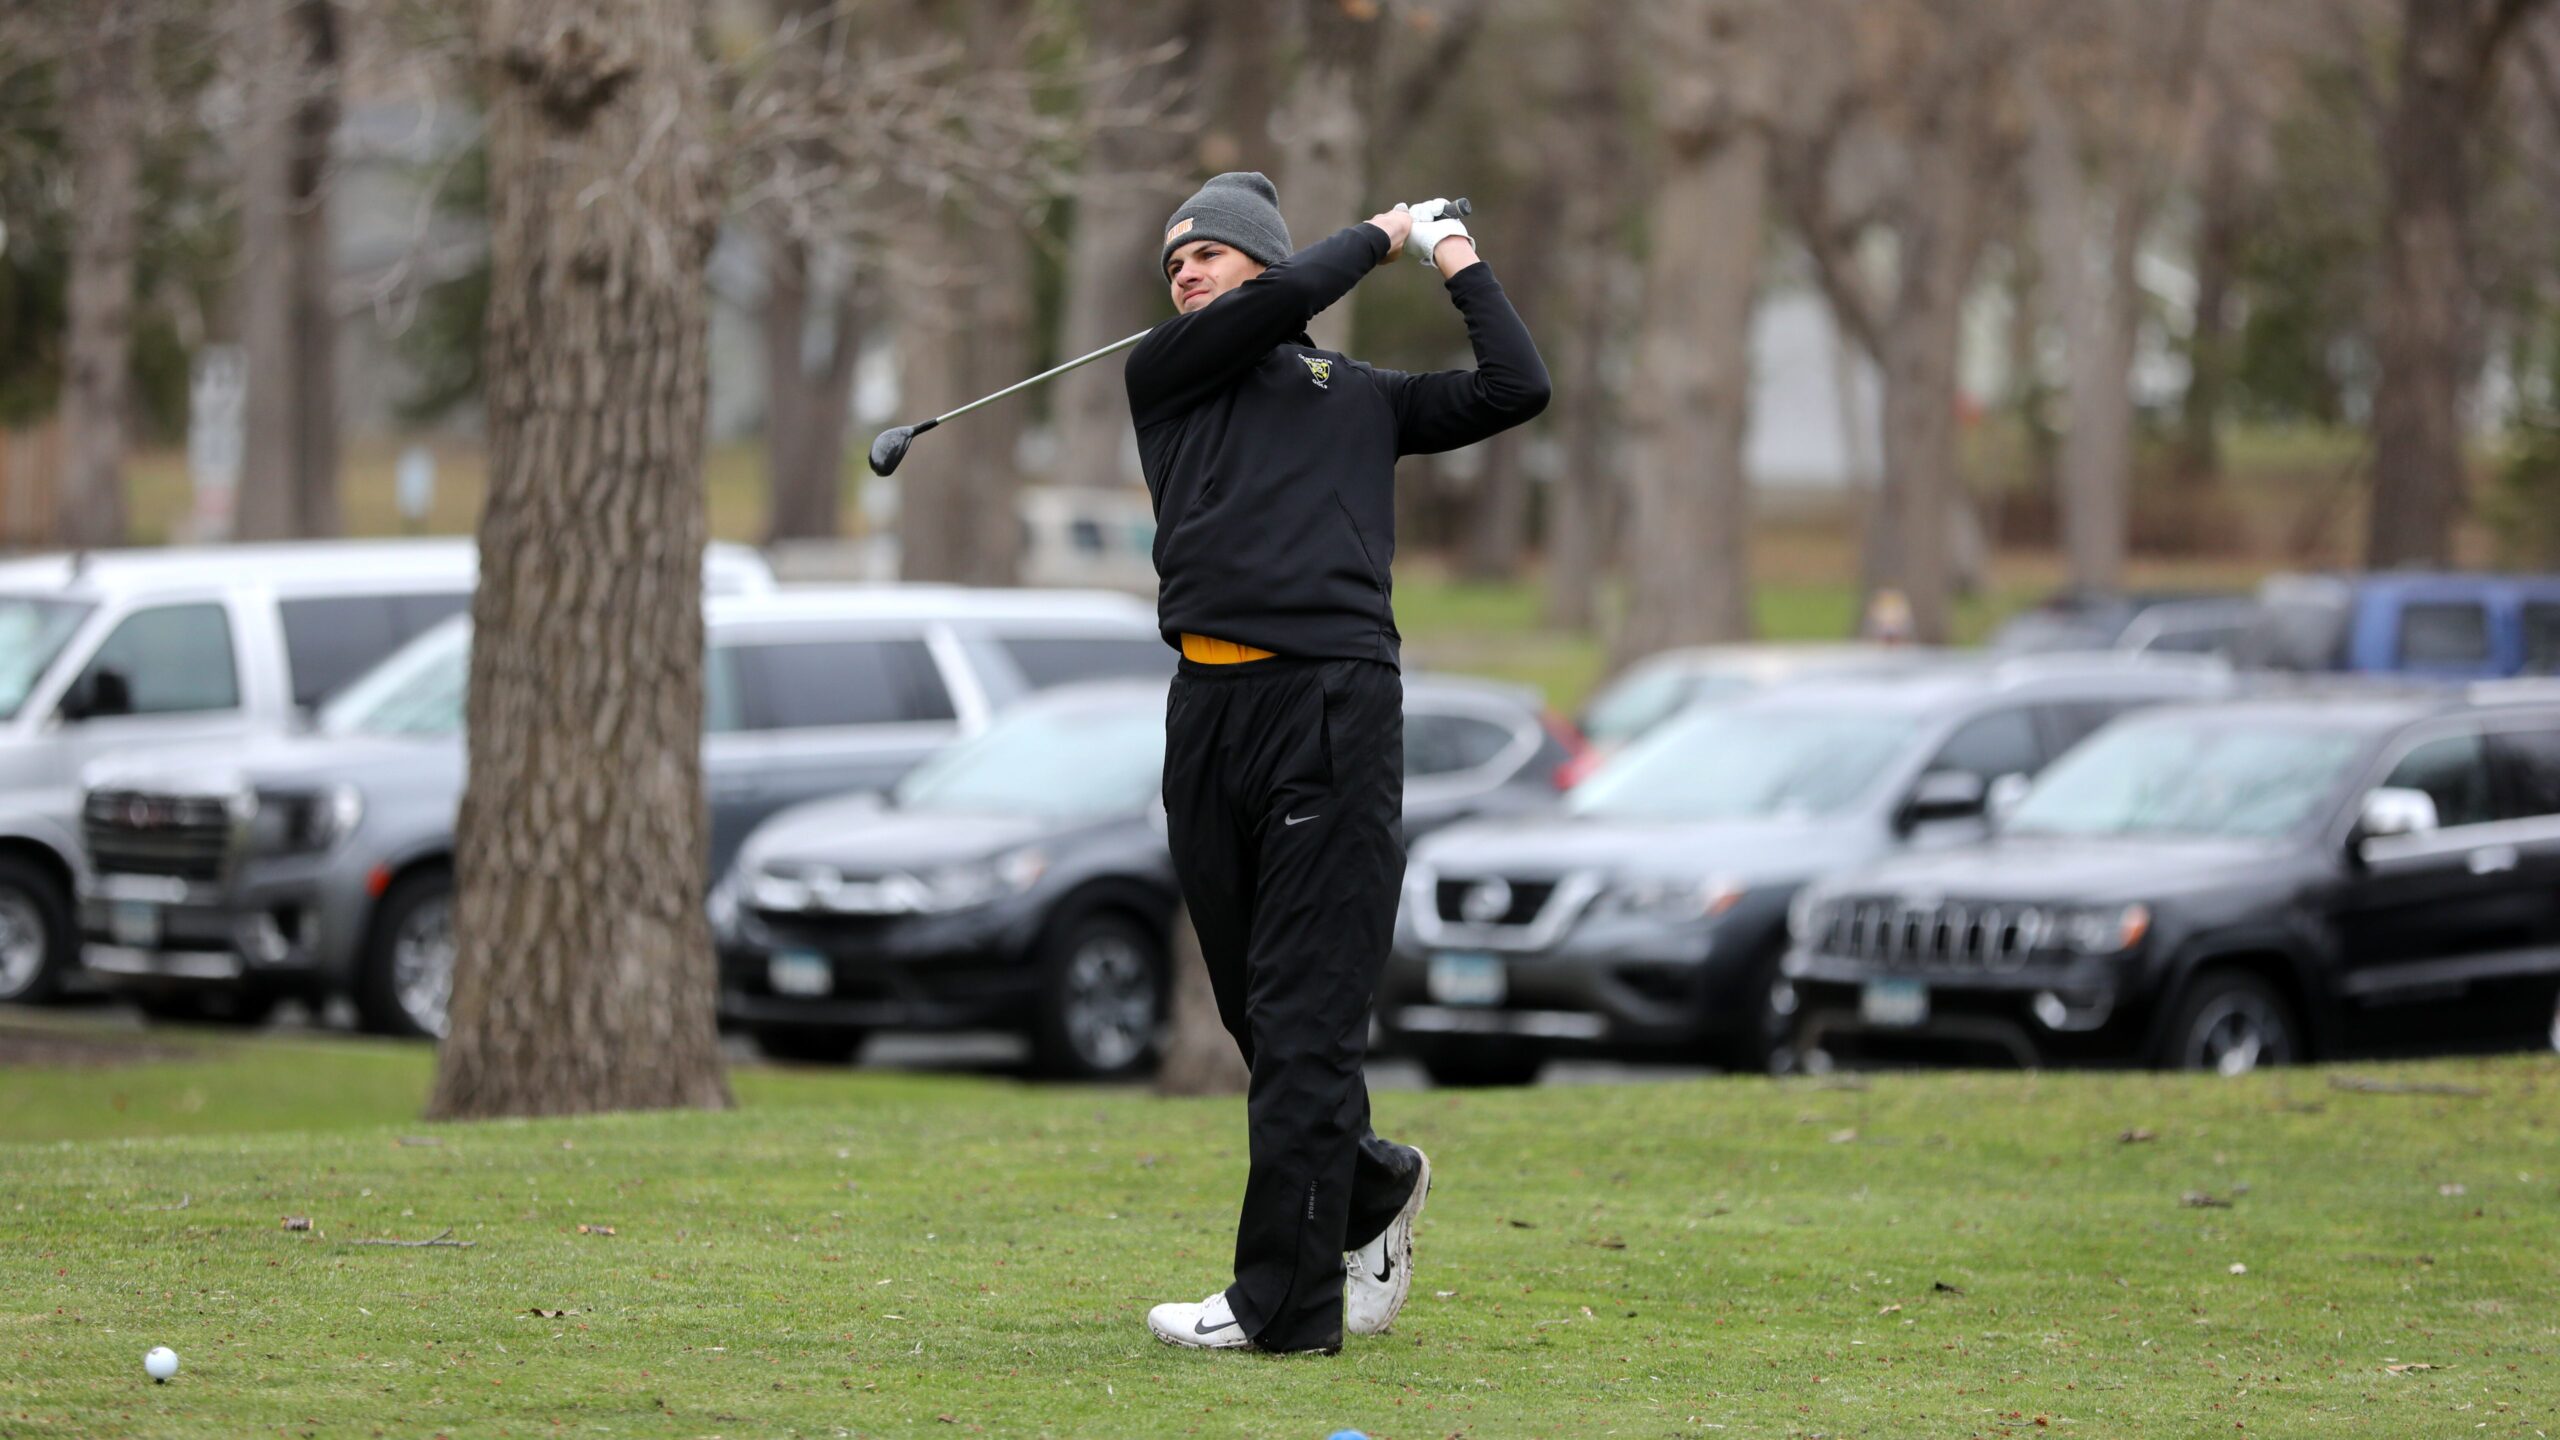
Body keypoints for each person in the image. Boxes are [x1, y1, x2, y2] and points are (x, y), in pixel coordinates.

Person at [1124, 172, 1550, 1355]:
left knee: (1306, 1018)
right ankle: (1367, 1185)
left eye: (1211, 254)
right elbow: (1276, 309)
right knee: (1260, 1014)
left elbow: (1520, 385)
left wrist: (1451, 250)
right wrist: (1378, 234)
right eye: (1174, 261)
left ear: (1265, 263)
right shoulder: (1165, 375)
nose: (1188, 272)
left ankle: (1283, 1310)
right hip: (1206, 711)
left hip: (1330, 708)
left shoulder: (1361, 396)